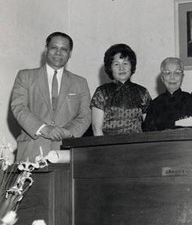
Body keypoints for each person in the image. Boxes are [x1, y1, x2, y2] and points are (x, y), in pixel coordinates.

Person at [10, 32, 91, 162]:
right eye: (54, 48)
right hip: (30, 153)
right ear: (46, 50)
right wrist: (43, 129)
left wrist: (68, 132)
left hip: (65, 154)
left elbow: (86, 115)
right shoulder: (25, 76)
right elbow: (19, 107)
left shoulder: (80, 83)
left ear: (70, 54)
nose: (58, 52)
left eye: (64, 49)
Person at [90, 44, 151, 136]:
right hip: (109, 147)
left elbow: (149, 128)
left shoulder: (142, 92)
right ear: (110, 68)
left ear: (132, 66)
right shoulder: (101, 92)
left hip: (137, 146)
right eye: (116, 64)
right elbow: (96, 129)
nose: (121, 68)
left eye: (125, 63)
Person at [143, 57, 192, 131]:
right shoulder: (154, 104)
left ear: (182, 77)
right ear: (162, 78)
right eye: (168, 73)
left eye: (177, 73)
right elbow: (148, 133)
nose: (172, 77)